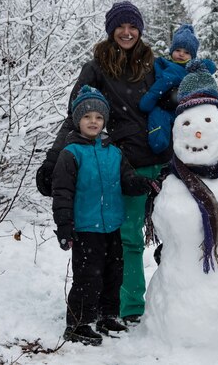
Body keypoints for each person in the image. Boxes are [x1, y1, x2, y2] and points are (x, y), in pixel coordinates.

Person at [36, 1, 170, 325]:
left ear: (140, 30)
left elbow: (176, 111)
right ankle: (128, 307)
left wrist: (184, 160)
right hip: (123, 166)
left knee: (180, 235)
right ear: (111, 30)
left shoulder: (154, 66)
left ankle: (177, 308)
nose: (127, 32)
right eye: (120, 27)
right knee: (128, 240)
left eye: (132, 26)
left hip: (162, 162)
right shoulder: (97, 67)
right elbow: (75, 118)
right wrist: (53, 162)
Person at [51, 86, 159, 346]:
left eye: (98, 117)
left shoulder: (114, 152)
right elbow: (62, 193)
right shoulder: (71, 153)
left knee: (114, 275)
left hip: (112, 226)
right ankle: (78, 323)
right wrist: (64, 226)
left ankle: (106, 316)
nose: (93, 122)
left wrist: (146, 183)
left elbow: (127, 179)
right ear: (78, 120)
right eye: (87, 117)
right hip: (86, 228)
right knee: (88, 277)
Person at [139, 24, 216, 154]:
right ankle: (159, 144)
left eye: (187, 52)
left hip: (185, 107)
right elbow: (159, 83)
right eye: (178, 50)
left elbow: (210, 68)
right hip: (165, 104)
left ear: (193, 56)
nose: (181, 54)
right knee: (157, 115)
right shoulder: (162, 64)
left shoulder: (192, 69)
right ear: (172, 50)